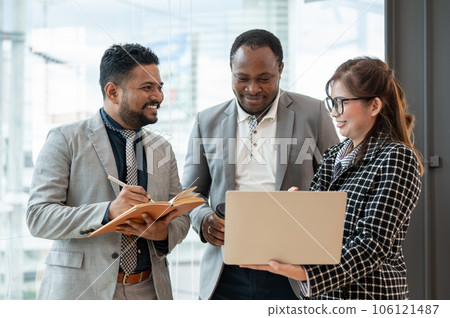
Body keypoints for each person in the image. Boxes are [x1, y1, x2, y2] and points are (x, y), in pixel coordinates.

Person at [244, 57, 423, 300]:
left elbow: (372, 245)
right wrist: (295, 212)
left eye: (341, 102)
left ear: (374, 106)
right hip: (325, 299)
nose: (334, 112)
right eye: (332, 102)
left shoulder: (397, 157)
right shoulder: (333, 155)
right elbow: (318, 233)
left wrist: (307, 274)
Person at [182, 29, 339, 300]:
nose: (252, 89)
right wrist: (203, 220)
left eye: (264, 79)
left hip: (292, 270)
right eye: (242, 78)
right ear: (230, 69)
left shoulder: (313, 113)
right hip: (225, 273)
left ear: (280, 69)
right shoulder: (206, 121)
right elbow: (190, 193)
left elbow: (339, 184)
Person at [26, 43, 190, 300]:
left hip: (150, 291)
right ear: (113, 92)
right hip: (81, 291)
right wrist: (108, 212)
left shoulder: (163, 148)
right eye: (147, 88)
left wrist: (164, 233)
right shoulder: (65, 139)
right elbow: (38, 217)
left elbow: (180, 215)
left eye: (159, 87)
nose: (158, 96)